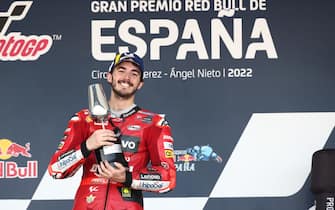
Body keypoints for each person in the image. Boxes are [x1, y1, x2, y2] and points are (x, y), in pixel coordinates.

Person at [48, 52, 176, 210]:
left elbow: (168, 178)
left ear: (140, 83)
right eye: (121, 70)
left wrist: (127, 177)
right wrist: (87, 146)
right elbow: (56, 169)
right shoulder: (83, 119)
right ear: (109, 77)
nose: (127, 77)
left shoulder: (155, 124)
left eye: (134, 73)